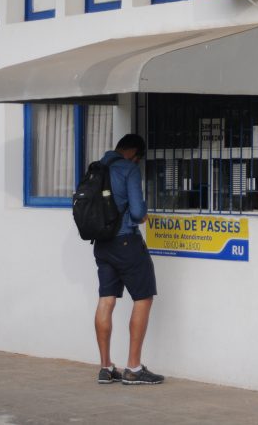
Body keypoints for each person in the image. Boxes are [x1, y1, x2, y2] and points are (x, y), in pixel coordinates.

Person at [93, 134, 164, 385]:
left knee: (106, 300)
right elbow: (136, 210)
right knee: (143, 297)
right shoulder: (129, 170)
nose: (139, 161)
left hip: (101, 245)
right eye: (139, 157)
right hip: (126, 242)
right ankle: (133, 368)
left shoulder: (96, 167)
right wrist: (142, 216)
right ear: (133, 152)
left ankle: (105, 367)